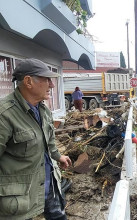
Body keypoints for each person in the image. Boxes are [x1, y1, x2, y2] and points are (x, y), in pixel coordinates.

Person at [0, 58, 72, 220]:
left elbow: (49, 141)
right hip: (19, 196)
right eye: (47, 80)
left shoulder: (43, 110)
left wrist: (57, 156)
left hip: (48, 183)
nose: (52, 85)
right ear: (28, 81)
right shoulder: (4, 115)